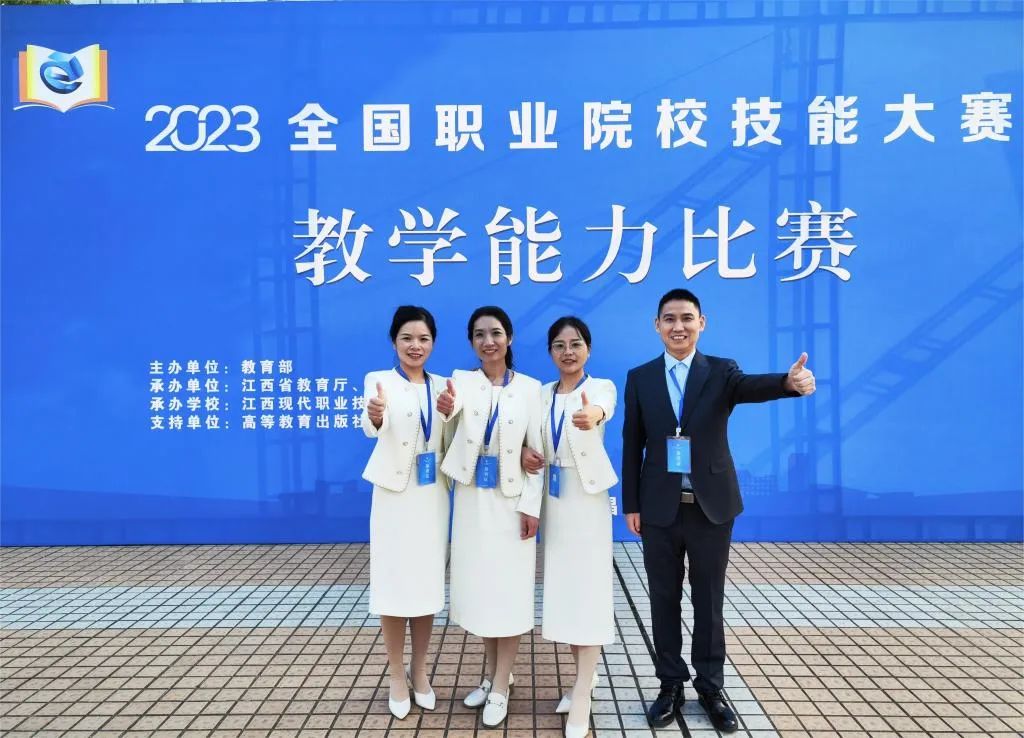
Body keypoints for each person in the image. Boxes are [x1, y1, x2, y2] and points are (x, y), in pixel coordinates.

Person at [621, 289, 815, 732]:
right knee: (663, 599)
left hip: (711, 508)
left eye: (687, 318)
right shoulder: (641, 377)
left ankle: (711, 687)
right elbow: (633, 444)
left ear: (701, 323)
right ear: (657, 325)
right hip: (659, 508)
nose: (678, 326)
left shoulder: (722, 371)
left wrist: (788, 383)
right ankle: (670, 685)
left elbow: (753, 387)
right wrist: (631, 504)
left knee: (709, 599)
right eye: (669, 319)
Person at [436, 306, 544, 728]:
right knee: (482, 591)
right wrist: (446, 409)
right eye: (479, 334)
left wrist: (531, 506)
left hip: (511, 502)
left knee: (510, 593)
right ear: (471, 342)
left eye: (496, 333)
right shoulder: (460, 383)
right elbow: (449, 423)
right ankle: (493, 673)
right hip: (472, 501)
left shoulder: (531, 389)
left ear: (509, 338)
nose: (488, 341)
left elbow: (538, 454)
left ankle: (500, 686)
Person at [522, 316, 617, 738]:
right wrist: (524, 453)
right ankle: (585, 677)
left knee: (590, 592)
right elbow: (528, 441)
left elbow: (603, 407)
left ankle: (581, 692)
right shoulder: (540, 395)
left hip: (587, 501)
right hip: (554, 502)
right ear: (550, 352)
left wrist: (592, 415)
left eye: (575, 344)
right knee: (565, 593)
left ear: (588, 349)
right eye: (559, 345)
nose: (568, 352)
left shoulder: (601, 388)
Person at [360, 306, 450, 720]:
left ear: (433, 343)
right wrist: (376, 416)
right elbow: (371, 425)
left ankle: (420, 669)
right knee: (394, 586)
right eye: (407, 338)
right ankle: (396, 673)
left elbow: (455, 436)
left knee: (426, 586)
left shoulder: (445, 387)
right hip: (394, 497)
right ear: (394, 341)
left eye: (424, 339)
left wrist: (451, 412)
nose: (416, 346)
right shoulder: (378, 381)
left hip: (432, 497)